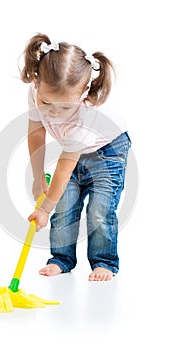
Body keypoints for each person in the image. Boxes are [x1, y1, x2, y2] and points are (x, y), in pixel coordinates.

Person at [21, 33, 131, 281]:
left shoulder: (85, 114)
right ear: (37, 83)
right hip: (74, 152)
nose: (54, 112)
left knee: (99, 210)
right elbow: (36, 135)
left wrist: (44, 209)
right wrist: (38, 179)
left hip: (108, 151)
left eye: (64, 107)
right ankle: (61, 259)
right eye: (46, 102)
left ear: (83, 94)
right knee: (65, 204)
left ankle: (104, 262)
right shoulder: (34, 93)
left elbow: (64, 166)